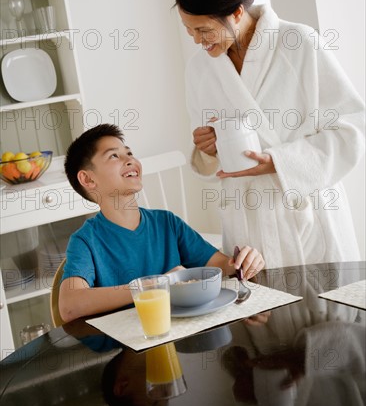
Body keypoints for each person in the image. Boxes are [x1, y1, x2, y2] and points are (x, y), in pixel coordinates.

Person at [175, 0, 365, 268]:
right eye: (189, 30)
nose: (197, 40)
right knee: (262, 312)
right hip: (247, 227)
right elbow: (211, 157)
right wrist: (207, 149)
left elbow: (351, 127)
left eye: (204, 30)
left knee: (330, 314)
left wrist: (280, 162)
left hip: (307, 215)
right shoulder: (199, 69)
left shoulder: (299, 43)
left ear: (236, 12)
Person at [59, 123, 264, 323]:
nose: (129, 160)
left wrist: (244, 261)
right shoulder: (85, 241)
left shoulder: (167, 223)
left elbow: (220, 265)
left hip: (178, 339)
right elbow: (70, 306)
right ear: (88, 180)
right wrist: (153, 286)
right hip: (124, 346)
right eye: (114, 155)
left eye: (129, 153)